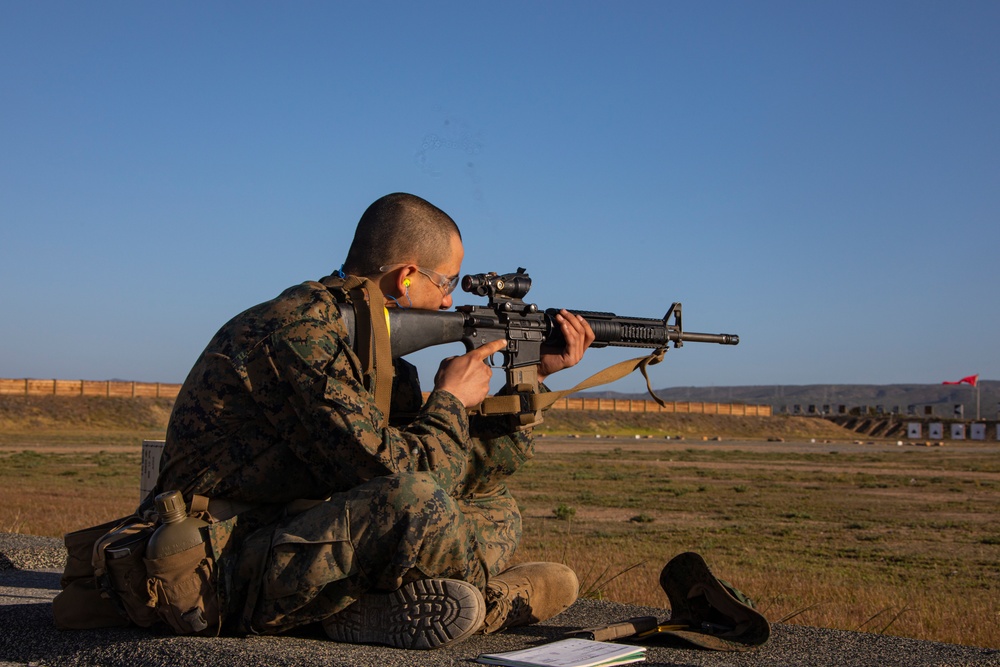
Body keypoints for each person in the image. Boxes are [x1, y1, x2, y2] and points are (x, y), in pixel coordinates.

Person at [153, 192, 596, 649]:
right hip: (216, 568)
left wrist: (534, 377)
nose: (448, 303)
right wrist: (448, 401)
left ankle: (384, 606)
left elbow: (460, 468)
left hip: (287, 537)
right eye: (447, 283)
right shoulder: (300, 333)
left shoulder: (375, 347)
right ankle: (486, 604)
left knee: (495, 504)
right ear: (406, 276)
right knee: (415, 499)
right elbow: (403, 480)